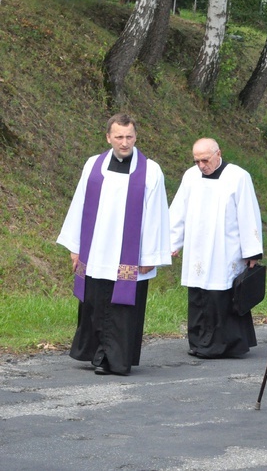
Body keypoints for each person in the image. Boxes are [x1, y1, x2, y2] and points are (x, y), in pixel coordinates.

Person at [57, 113, 171, 375]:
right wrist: (76, 247)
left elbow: (157, 214)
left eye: (129, 136)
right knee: (95, 302)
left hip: (131, 255)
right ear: (108, 137)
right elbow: (79, 205)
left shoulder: (150, 170)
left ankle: (115, 359)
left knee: (122, 306)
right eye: (119, 137)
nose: (124, 142)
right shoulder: (92, 165)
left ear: (136, 137)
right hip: (96, 250)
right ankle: (96, 353)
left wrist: (149, 255)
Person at [170, 138, 263, 359]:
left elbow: (248, 213)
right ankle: (199, 341)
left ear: (218, 153)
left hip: (225, 248)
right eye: (197, 161)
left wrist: (252, 251)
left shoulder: (238, 177)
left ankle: (224, 344)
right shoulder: (190, 176)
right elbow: (178, 211)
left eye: (205, 160)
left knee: (221, 296)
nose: (201, 165)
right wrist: (172, 242)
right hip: (197, 248)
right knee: (198, 295)